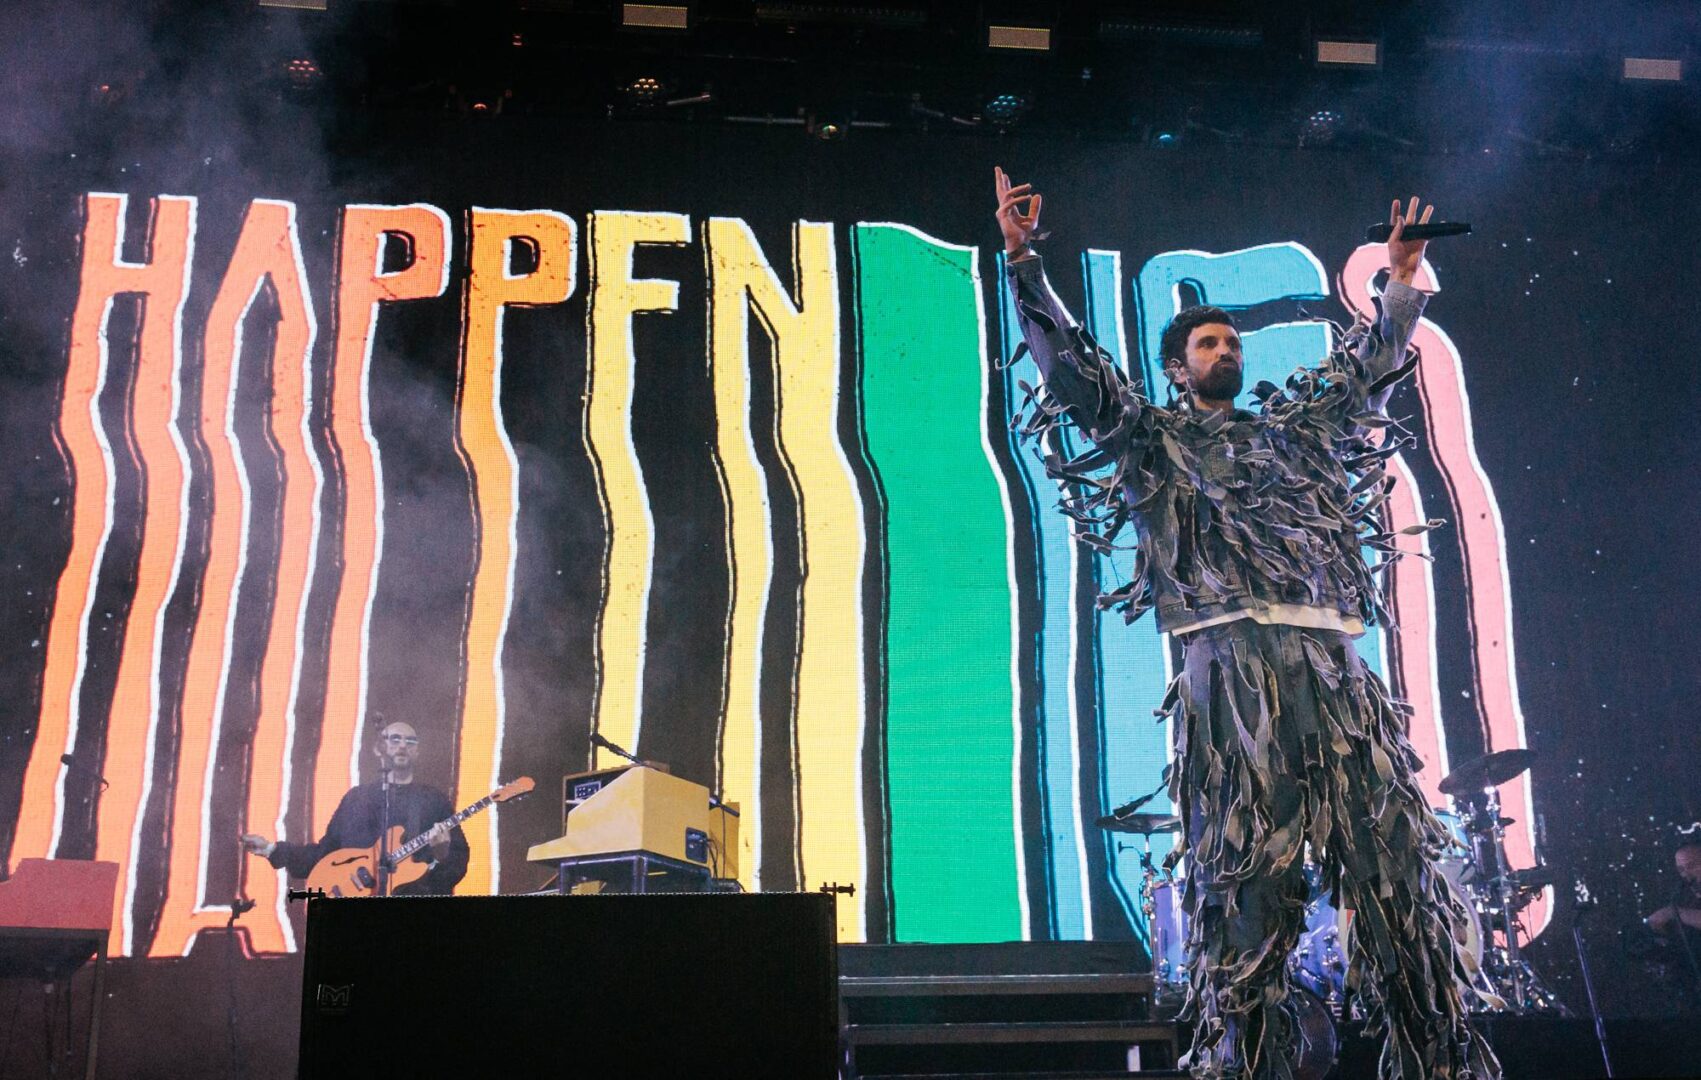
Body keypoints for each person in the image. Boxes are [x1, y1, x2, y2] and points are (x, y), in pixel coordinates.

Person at [993, 166, 1498, 1080]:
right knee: (1245, 892)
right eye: (1208, 343)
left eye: (1231, 341)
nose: (1225, 350)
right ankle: (1249, 1063)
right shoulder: (1154, 440)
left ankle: (1433, 1062)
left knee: (1392, 871)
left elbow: (1366, 364)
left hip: (1329, 666)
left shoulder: (1296, 432)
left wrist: (1397, 280)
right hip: (1226, 670)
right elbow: (1072, 375)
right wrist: (1025, 260)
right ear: (1178, 366)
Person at [241, 718, 469, 895]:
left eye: (410, 741)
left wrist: (441, 856)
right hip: (354, 917)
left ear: (417, 752)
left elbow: (456, 866)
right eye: (395, 739)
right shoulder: (356, 799)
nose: (402, 746)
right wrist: (272, 850)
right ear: (378, 748)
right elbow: (325, 855)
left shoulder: (433, 800)